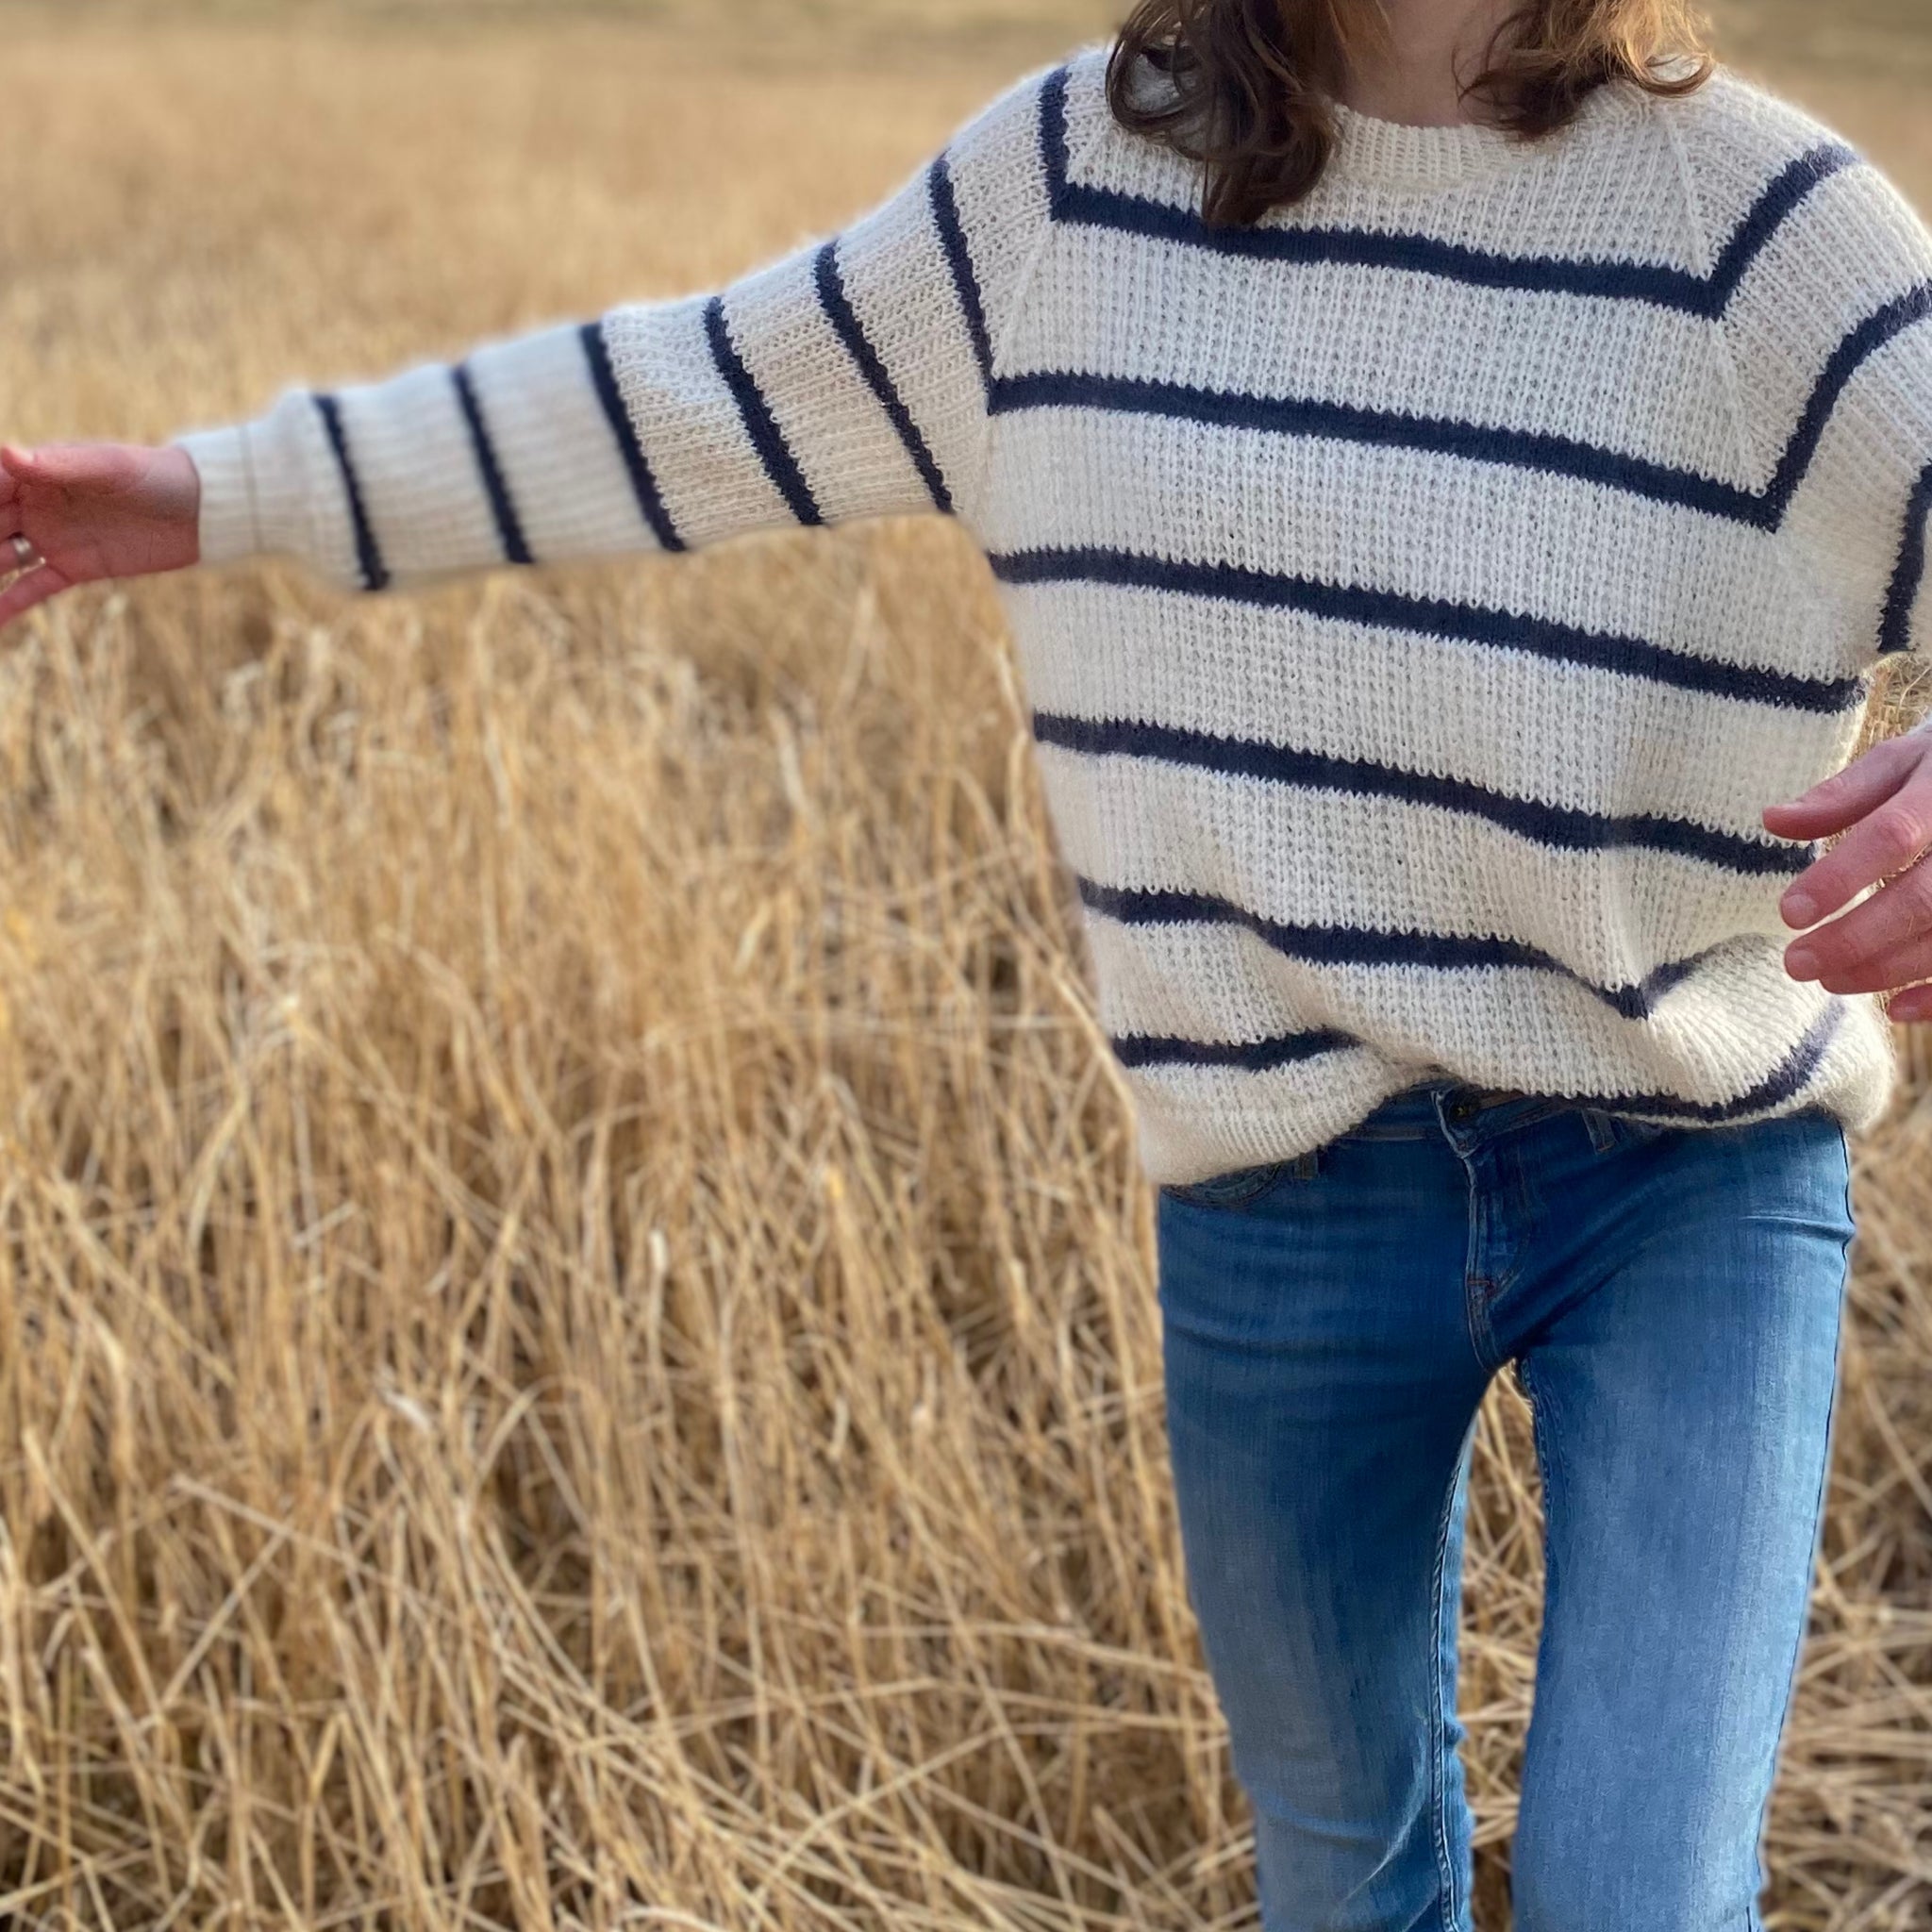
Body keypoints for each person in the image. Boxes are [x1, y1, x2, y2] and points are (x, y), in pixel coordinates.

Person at [4, 0, 1929, 1922]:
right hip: (1281, 1195)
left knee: (1641, 1891)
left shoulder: (1766, 234)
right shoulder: (1071, 191)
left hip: (1686, 1182)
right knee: (1343, 1882)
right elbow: (671, 402)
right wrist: (217, 493)